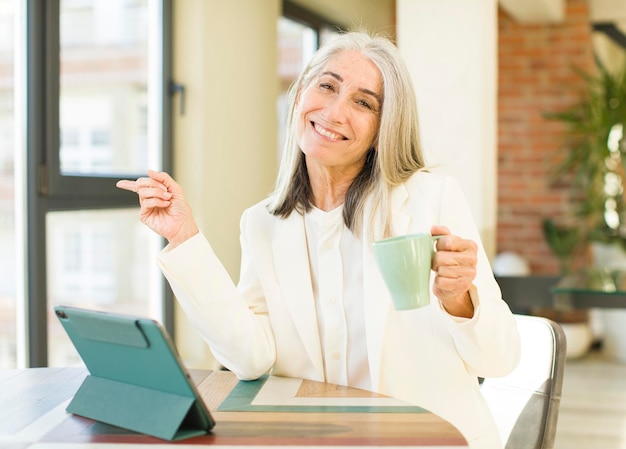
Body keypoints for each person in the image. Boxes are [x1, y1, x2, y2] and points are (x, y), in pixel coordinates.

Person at [117, 31, 520, 449]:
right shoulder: (262, 223)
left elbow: (500, 358)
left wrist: (460, 299)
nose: (334, 111)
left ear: (385, 128)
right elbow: (251, 358)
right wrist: (184, 238)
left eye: (363, 103)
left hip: (430, 439)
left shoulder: (431, 198)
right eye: (326, 86)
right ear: (299, 97)